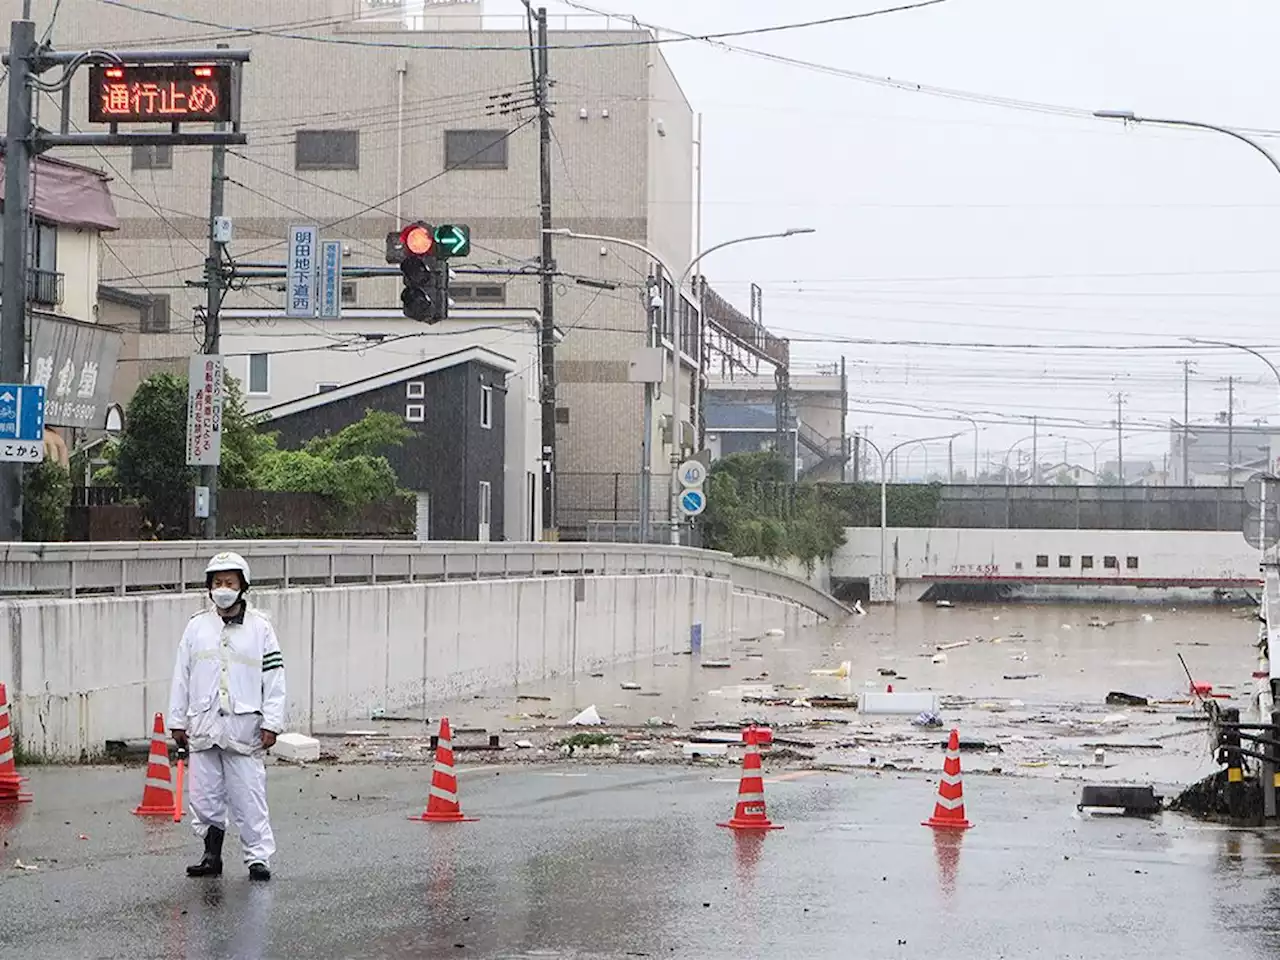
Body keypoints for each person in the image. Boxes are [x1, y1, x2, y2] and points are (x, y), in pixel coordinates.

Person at [168, 551, 286, 882]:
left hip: (244, 729)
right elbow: (182, 675)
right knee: (204, 798)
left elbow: (274, 679)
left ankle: (257, 859)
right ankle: (211, 854)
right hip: (204, 725)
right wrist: (178, 721)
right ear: (209, 588)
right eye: (217, 582)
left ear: (242, 586)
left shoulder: (260, 629)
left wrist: (272, 723)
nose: (223, 588)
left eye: (229, 582)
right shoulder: (196, 628)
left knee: (249, 797)